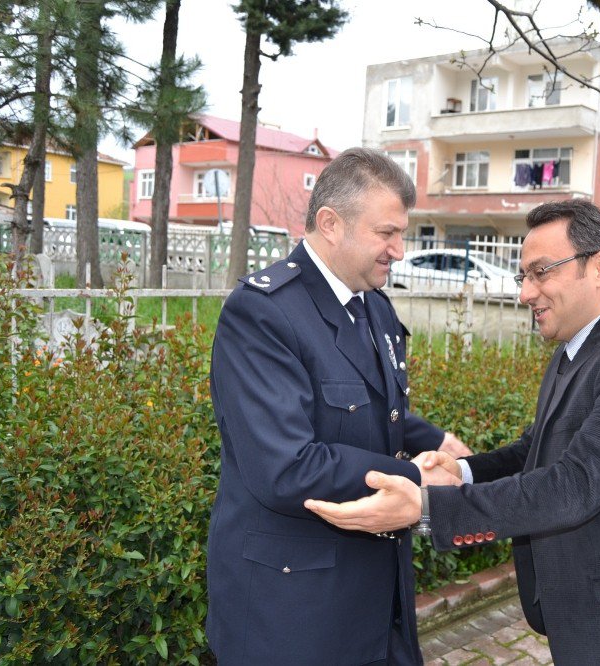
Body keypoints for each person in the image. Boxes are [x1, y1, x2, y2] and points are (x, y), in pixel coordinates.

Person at [307, 199, 600, 665]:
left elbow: (576, 483)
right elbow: (537, 450)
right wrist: (462, 471)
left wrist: (427, 507)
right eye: (522, 277)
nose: (525, 293)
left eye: (541, 272)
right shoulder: (578, 347)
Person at [206, 147, 468, 665]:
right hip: (295, 608)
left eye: (401, 233)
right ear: (330, 223)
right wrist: (413, 478)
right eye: (385, 233)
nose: (398, 249)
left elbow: (370, 407)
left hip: (375, 595)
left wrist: (433, 440)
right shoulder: (263, 313)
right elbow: (286, 466)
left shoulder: (372, 304)